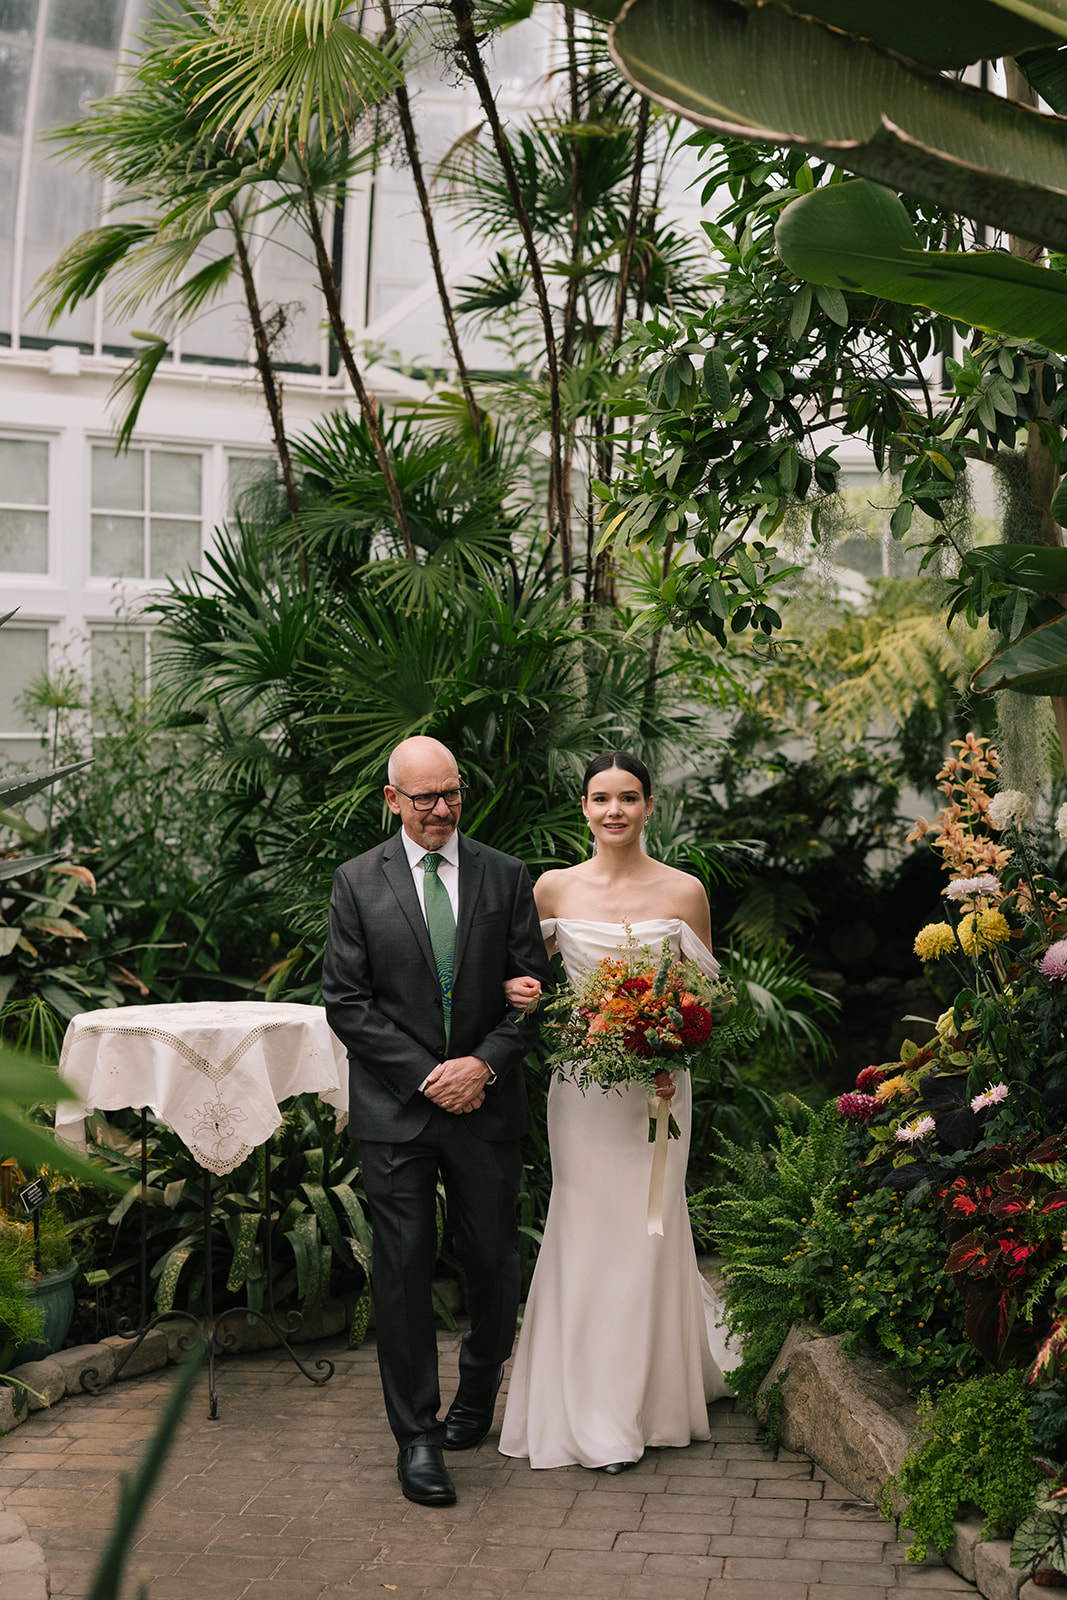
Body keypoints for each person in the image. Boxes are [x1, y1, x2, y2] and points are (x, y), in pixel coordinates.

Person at [322, 736, 551, 1508]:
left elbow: (532, 989)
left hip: (485, 1106)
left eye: (451, 794)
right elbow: (346, 1002)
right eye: (424, 798)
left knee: (491, 1262)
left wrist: (480, 1065)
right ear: (392, 800)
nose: (441, 810)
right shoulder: (356, 882)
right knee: (403, 1271)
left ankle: (478, 1392)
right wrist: (429, 1076)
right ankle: (415, 1438)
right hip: (397, 1113)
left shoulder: (506, 875)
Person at [497, 750, 735, 1472]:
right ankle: (589, 1407)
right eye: (600, 798)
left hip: (659, 1088)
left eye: (627, 798)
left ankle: (652, 1399)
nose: (614, 811)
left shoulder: (684, 890)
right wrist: (525, 997)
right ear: (583, 809)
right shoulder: (551, 888)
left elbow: (705, 997)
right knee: (586, 1226)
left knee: (649, 1229)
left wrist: (672, 1046)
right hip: (582, 1087)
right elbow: (522, 976)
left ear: (649, 807)